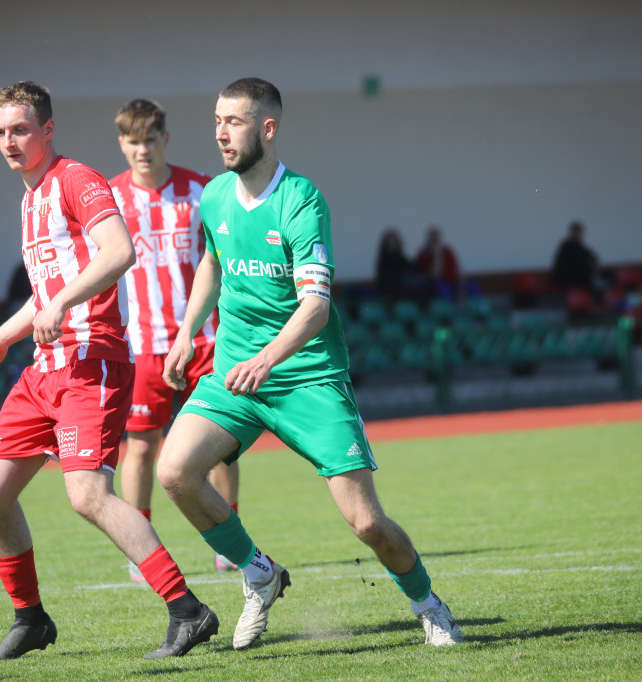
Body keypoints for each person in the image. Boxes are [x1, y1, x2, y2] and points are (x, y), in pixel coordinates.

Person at [155, 78, 463, 651]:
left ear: (267, 129)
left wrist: (269, 359)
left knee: (367, 523)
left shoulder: (301, 200)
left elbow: (316, 307)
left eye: (235, 121)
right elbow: (212, 264)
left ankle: (428, 603)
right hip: (236, 372)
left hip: (306, 375)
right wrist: (186, 332)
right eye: (217, 120)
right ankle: (258, 574)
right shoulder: (216, 194)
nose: (221, 132)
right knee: (174, 472)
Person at [0, 81, 218, 663]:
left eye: (20, 129)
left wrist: (60, 305)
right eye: (1, 131)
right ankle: (30, 619)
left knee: (87, 494)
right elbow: (43, 294)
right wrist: (0, 339)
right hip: (43, 368)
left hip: (91, 360)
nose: (9, 140)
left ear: (47, 130)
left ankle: (187, 610)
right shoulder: (30, 199)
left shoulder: (76, 180)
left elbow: (119, 251)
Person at [108, 98, 240, 582]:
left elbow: (226, 259)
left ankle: (230, 539)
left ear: (165, 139)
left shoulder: (200, 189)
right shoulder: (110, 198)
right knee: (141, 447)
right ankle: (141, 549)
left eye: (149, 139)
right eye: (132, 141)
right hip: (143, 344)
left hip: (205, 338)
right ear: (121, 144)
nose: (142, 150)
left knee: (221, 444)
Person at [375, 227, 431, 302]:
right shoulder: (383, 260)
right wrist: (401, 278)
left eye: (394, 243)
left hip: (404, 287)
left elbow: (414, 268)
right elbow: (385, 277)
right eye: (390, 243)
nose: (392, 246)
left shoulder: (401, 257)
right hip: (392, 289)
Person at [551, 220, 599, 293]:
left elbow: (593, 257)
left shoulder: (578, 246)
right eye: (579, 232)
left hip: (572, 277)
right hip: (568, 279)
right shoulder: (569, 246)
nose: (580, 235)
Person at [415, 225, 460, 299]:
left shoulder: (447, 251)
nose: (435, 240)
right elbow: (434, 275)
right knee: (440, 286)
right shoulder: (423, 254)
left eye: (437, 238)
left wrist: (461, 283)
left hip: (453, 282)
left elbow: (457, 268)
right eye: (433, 238)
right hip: (436, 284)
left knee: (472, 285)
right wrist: (437, 254)